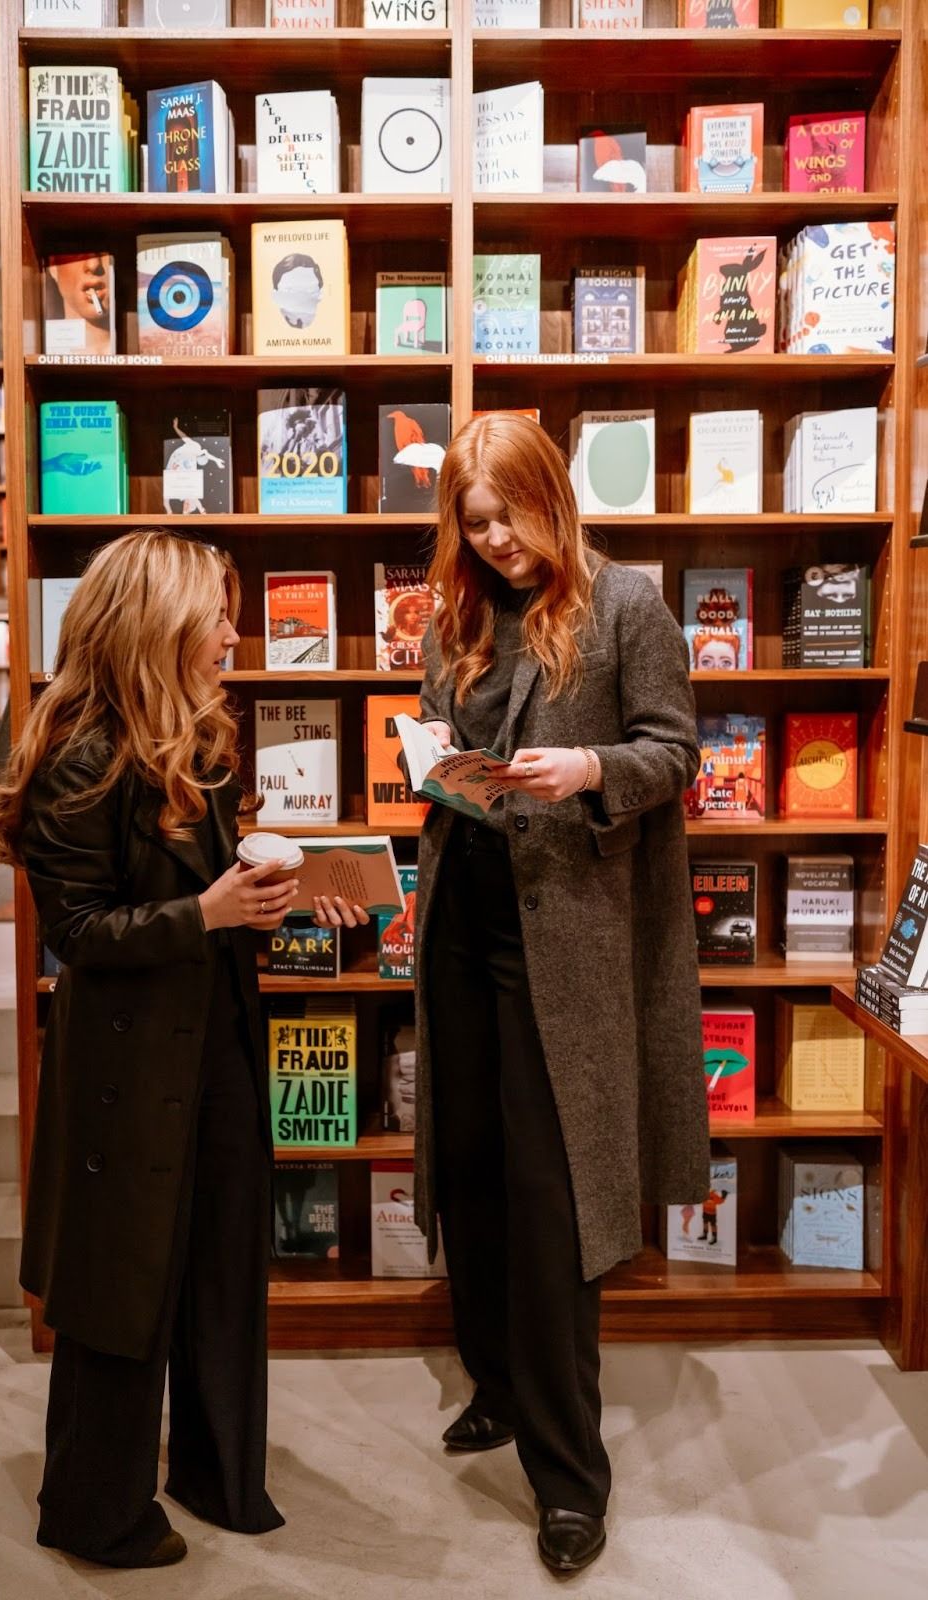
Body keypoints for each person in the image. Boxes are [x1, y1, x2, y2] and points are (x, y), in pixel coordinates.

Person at [406, 413, 709, 1575]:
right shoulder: (459, 612)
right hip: (461, 928)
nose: (493, 543)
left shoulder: (627, 603)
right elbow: (443, 735)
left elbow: (674, 752)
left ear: (551, 498)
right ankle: (497, 1383)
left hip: (565, 954)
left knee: (553, 1206)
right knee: (472, 1177)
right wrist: (422, 751)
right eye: (473, 526)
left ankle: (570, 1474)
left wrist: (590, 770)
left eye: (508, 520)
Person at [0, 530, 290, 1569]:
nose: (231, 633)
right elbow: (76, 936)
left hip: (210, 1045)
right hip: (126, 1075)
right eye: (215, 613)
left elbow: (196, 901)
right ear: (156, 624)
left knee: (216, 1265)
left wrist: (260, 901)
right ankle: (94, 1510)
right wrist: (205, 914)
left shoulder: (196, 739)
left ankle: (215, 1472)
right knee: (122, 1292)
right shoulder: (79, 753)